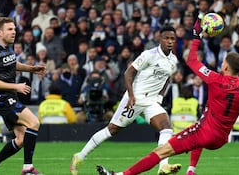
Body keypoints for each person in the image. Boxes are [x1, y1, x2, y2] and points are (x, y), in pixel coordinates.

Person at [96, 17, 239, 175]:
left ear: (226, 66)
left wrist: (197, 36)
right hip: (220, 139)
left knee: (162, 151)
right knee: (200, 124)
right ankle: (191, 170)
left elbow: (191, 60)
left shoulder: (215, 78)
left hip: (205, 133)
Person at [70, 26, 181, 175]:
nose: (169, 41)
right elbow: (128, 72)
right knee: (112, 130)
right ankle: (80, 156)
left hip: (151, 102)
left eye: (172, 39)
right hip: (136, 99)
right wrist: (131, 95)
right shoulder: (149, 55)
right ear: (160, 39)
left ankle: (163, 166)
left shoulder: (173, 60)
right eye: (166, 38)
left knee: (166, 128)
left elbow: (167, 77)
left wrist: (159, 97)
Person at [0, 17, 46, 175]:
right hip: (3, 99)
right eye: (10, 29)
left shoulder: (6, 50)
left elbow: (13, 64)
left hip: (9, 97)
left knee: (22, 139)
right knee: (34, 122)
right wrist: (16, 86)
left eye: (15, 29)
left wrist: (31, 69)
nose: (14, 32)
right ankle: (28, 169)